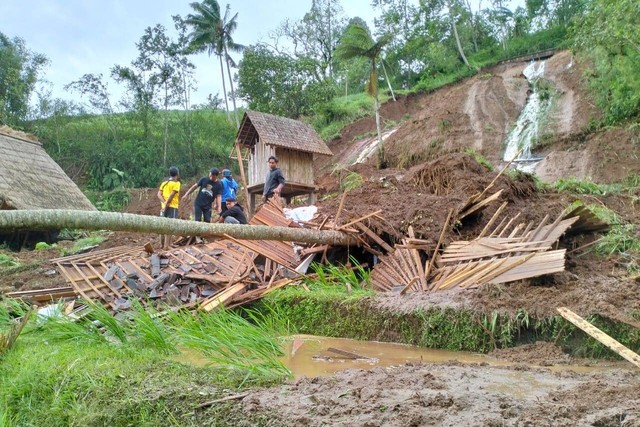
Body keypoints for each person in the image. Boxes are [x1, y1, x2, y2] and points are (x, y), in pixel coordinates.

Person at [157, 166, 181, 249]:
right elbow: (172, 195)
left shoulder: (164, 183)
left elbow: (158, 194)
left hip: (163, 207)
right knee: (170, 226)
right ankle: (167, 246)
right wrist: (167, 203)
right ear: (177, 174)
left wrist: (163, 203)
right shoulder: (177, 183)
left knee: (162, 226)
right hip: (172, 207)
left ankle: (162, 244)